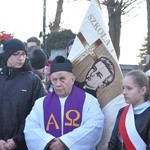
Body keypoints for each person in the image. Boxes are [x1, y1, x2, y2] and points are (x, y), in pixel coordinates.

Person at [24, 55, 105, 150]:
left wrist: (66, 142)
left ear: (72, 79)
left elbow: (95, 125)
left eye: (62, 79)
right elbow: (30, 127)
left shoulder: (89, 101)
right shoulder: (41, 103)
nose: (58, 84)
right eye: (54, 80)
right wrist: (49, 142)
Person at [0, 38, 46, 150]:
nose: (21, 58)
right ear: (7, 55)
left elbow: (38, 113)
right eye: (16, 54)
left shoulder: (33, 80)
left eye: (23, 54)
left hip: (24, 144)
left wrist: (18, 140)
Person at [108, 70, 150, 150]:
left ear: (142, 90)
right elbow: (113, 142)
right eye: (123, 88)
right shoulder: (122, 111)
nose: (123, 92)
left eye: (129, 88)